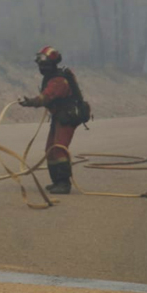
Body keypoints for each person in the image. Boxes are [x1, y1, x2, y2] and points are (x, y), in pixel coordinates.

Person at [19, 46, 89, 195]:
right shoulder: (52, 77)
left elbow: (46, 97)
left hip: (67, 117)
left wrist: (29, 102)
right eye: (40, 64)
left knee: (58, 149)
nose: (41, 67)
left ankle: (64, 183)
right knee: (50, 149)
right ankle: (56, 181)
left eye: (44, 64)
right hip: (59, 116)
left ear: (51, 64)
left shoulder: (58, 80)